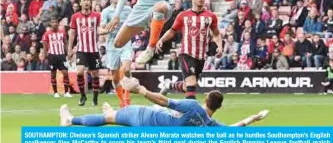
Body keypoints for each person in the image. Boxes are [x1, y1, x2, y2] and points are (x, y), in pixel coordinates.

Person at [60, 77, 269, 127]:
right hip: (151, 129)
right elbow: (233, 129)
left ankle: (71, 120)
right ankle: (110, 110)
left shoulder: (192, 105)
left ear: (206, 99)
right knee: (112, 116)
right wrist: (253, 118)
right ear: (220, 107)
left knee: (108, 118)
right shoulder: (209, 126)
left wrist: (140, 89)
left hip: (144, 115)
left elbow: (163, 101)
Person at [156, 0, 223, 99]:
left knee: (188, 87)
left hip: (201, 57)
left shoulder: (211, 16)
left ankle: (169, 85)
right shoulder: (183, 16)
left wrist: (220, 46)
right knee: (191, 84)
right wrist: (161, 40)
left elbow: (216, 34)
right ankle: (189, 114)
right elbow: (172, 32)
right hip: (186, 54)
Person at [99, 0, 133, 108]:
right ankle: (121, 101)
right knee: (114, 78)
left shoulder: (128, 9)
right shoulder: (106, 12)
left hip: (125, 43)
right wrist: (108, 29)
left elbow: (134, 23)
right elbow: (100, 30)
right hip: (112, 45)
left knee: (127, 69)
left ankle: (127, 97)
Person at [68, 0, 102, 106]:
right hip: (81, 49)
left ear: (90, 2)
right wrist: (69, 49)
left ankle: (95, 98)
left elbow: (101, 29)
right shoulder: (75, 17)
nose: (86, 2)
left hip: (93, 50)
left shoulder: (97, 16)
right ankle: (83, 96)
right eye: (84, 0)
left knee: (95, 74)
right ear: (81, 3)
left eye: (88, 0)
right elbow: (72, 33)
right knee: (79, 72)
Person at [42, 18, 72, 98]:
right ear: (50, 24)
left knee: (65, 73)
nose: (54, 23)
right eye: (53, 22)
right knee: (53, 74)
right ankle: (55, 92)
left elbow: (65, 43)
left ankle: (66, 92)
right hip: (52, 56)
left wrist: (68, 53)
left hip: (62, 55)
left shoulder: (62, 33)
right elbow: (45, 46)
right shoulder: (47, 34)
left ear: (58, 23)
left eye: (56, 22)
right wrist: (45, 56)